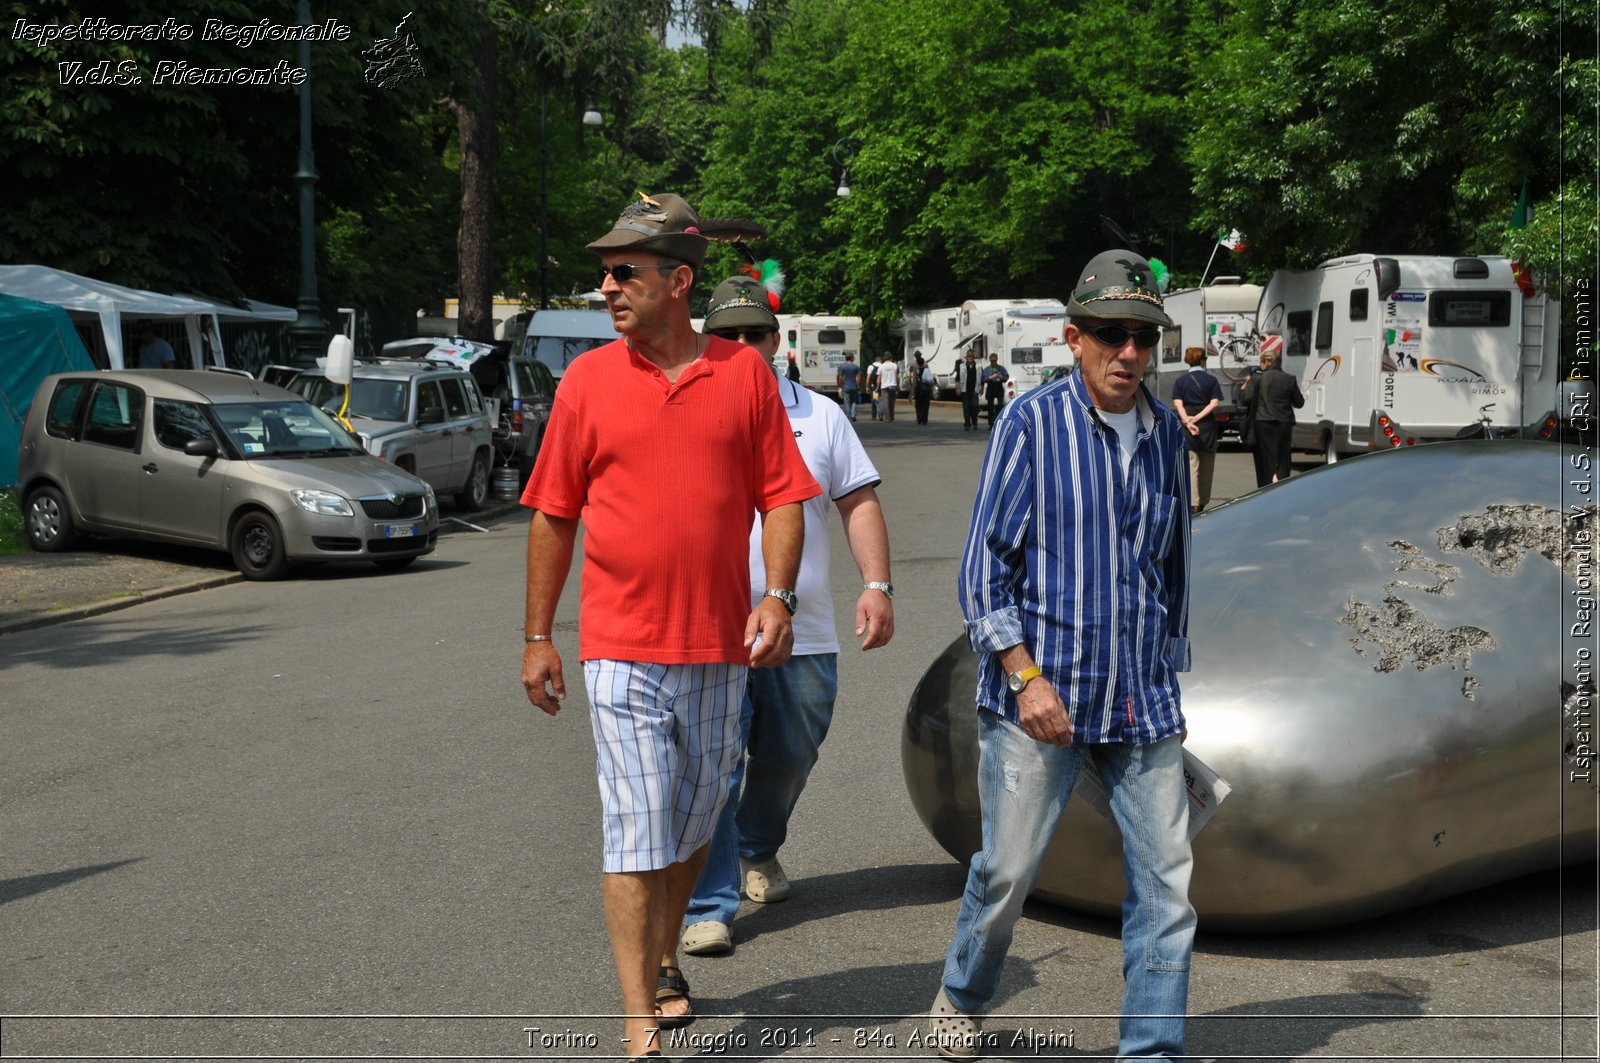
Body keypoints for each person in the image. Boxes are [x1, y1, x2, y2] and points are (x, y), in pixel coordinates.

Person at [518, 192, 820, 1061]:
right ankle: (637, 1019)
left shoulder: (743, 375)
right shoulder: (587, 381)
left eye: (625, 271)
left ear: (679, 281)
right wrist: (538, 633)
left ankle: (658, 957)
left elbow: (786, 497)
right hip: (621, 647)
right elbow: (551, 514)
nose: (607, 285)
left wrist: (778, 595)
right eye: (604, 271)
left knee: (691, 829)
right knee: (637, 825)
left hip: (721, 646)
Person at [929, 250, 1194, 1062]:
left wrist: (1172, 676)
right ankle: (965, 991)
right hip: (1040, 694)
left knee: (1168, 890)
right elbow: (985, 570)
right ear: (1073, 338)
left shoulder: (1163, 438)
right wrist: (1025, 677)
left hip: (1139, 701)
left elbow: (1173, 567)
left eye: (1143, 337)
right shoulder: (1030, 424)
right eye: (1111, 334)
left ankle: (1150, 1050)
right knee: (1008, 873)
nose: (1129, 353)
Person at [681, 275, 895, 957]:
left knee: (790, 753)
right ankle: (710, 903)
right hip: (712, 628)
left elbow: (857, 501)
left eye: (755, 333)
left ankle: (757, 845)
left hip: (802, 630)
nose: (743, 345)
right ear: (707, 341)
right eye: (728, 334)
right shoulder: (684, 410)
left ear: (777, 341)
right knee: (714, 763)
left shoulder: (821, 415)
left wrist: (878, 584)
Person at [1169, 346, 1224, 513]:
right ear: (1202, 360)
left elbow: (1177, 403)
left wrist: (1187, 421)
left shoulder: (1181, 381)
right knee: (1207, 465)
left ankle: (1193, 502)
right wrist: (1198, 418)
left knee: (1191, 464)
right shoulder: (1211, 380)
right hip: (1206, 425)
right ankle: (1203, 501)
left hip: (1187, 427)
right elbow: (1214, 403)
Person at [1240, 346, 1304, 486]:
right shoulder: (1289, 379)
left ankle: (1266, 484)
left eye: (1261, 362)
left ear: (1266, 362)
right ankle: (1281, 481)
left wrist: (1245, 385)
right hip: (1284, 422)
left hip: (1262, 422)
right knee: (1283, 456)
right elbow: (1299, 403)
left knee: (1264, 457)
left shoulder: (1257, 378)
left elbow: (1245, 400)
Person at [981, 352, 1009, 429]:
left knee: (1000, 406)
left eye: (995, 361)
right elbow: (983, 379)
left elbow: (1006, 377)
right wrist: (990, 377)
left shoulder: (1001, 368)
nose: (993, 362)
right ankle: (991, 424)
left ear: (997, 360)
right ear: (990, 361)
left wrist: (1000, 376)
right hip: (990, 387)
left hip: (999, 386)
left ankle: (1000, 423)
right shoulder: (987, 369)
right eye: (992, 361)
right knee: (990, 407)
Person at [956, 350, 981, 430]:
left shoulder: (978, 366)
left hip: (975, 390)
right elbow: (957, 378)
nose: (970, 358)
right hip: (964, 390)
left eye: (972, 357)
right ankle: (967, 424)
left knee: (974, 407)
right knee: (966, 408)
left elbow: (982, 379)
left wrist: (982, 388)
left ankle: (974, 422)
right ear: (966, 358)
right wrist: (957, 388)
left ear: (974, 358)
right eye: (969, 356)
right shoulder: (961, 366)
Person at [836, 352, 861, 421]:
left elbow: (840, 376)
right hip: (854, 387)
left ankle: (848, 415)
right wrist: (858, 385)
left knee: (847, 402)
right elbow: (858, 377)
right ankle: (853, 415)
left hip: (846, 387)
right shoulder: (856, 367)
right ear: (852, 358)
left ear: (846, 358)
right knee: (853, 401)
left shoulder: (842, 366)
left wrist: (839, 385)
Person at [913, 352, 936, 425]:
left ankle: (919, 417)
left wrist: (912, 391)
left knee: (918, 404)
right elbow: (930, 379)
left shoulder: (915, 367)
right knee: (926, 404)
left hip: (918, 389)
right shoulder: (926, 366)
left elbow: (914, 380)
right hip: (926, 389)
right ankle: (925, 419)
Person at [877, 353, 900, 421]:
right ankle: (892, 417)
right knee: (892, 402)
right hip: (893, 385)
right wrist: (898, 386)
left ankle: (887, 418)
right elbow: (897, 377)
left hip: (884, 386)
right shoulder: (895, 365)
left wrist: (877, 386)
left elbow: (879, 378)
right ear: (890, 358)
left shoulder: (881, 366)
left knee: (885, 403)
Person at [866, 355, 882, 421]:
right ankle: (881, 414)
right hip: (882, 386)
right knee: (881, 401)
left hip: (874, 387)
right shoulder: (882, 366)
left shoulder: (871, 367)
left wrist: (867, 386)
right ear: (880, 360)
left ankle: (874, 416)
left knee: (874, 401)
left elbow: (868, 377)